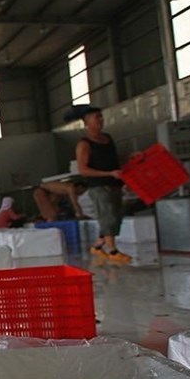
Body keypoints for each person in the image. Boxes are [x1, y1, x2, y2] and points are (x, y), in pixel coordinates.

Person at [69, 103, 131, 263]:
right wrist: (108, 173)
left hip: (115, 184)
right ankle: (112, 251)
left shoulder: (107, 138)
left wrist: (130, 158)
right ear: (87, 122)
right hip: (99, 186)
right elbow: (83, 169)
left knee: (116, 217)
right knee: (108, 217)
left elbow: (115, 159)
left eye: (101, 117)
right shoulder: (84, 144)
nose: (100, 120)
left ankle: (97, 247)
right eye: (97, 118)